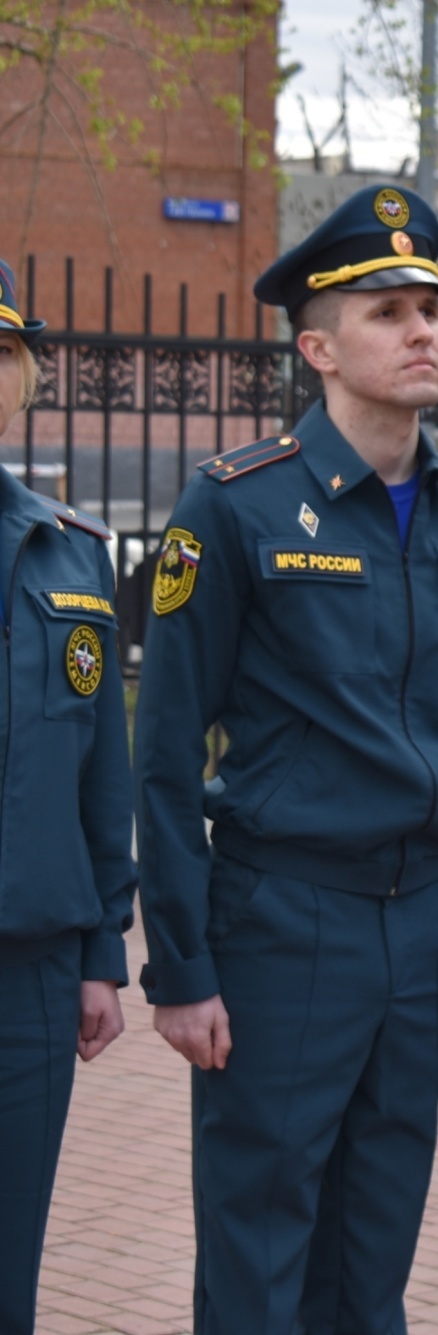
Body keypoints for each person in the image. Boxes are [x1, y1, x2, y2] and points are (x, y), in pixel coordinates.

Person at [133, 185, 438, 1333]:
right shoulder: (236, 507)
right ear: (318, 346)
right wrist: (183, 967)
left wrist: (437, 937)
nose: (422, 331)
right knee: (261, 1248)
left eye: (430, 309)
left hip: (413, 933)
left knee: (375, 1248)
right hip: (282, 923)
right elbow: (160, 752)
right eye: (388, 310)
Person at [0, 256, 136, 1334]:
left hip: (33, 979)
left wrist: (100, 952)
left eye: (5, 353)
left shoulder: (71, 556)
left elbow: (102, 773)